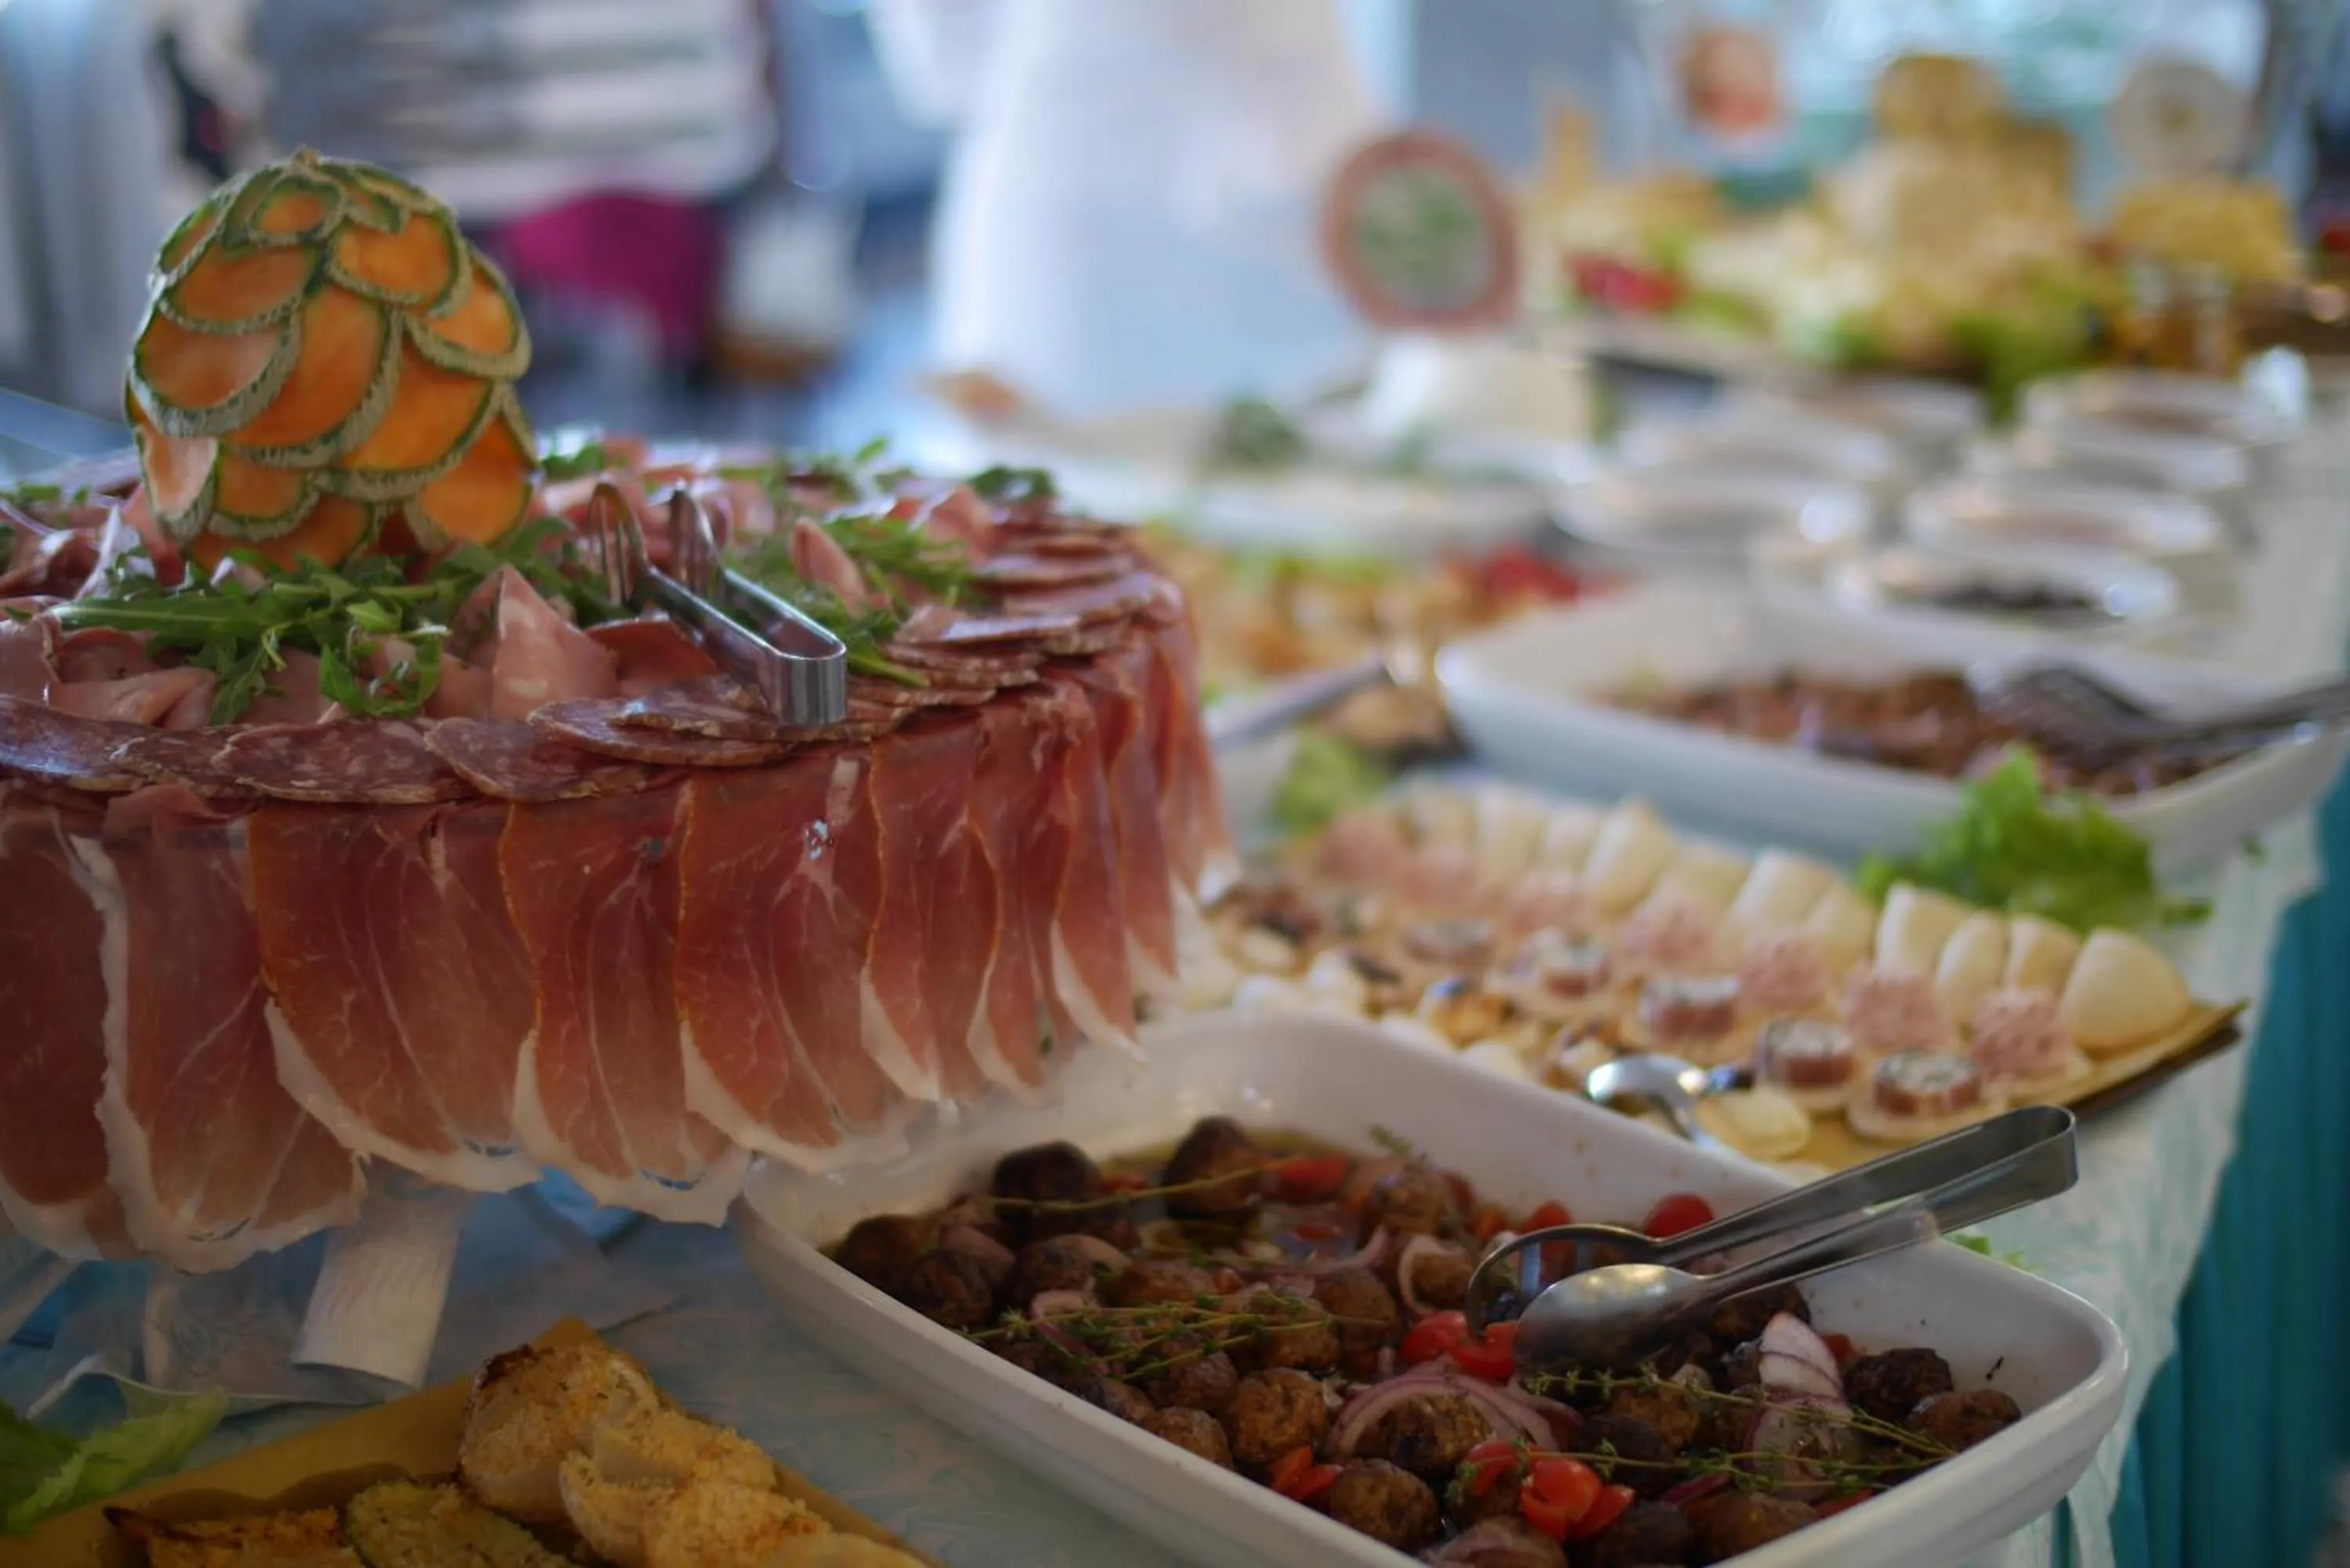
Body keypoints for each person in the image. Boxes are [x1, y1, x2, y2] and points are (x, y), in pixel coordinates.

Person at [870, 0, 1387, 417]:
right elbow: (941, 63)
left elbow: (942, 64)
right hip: (1087, 227)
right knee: (1058, 509)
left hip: (1325, 197)